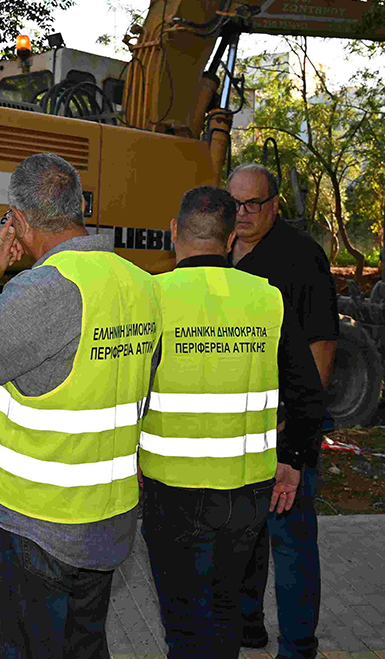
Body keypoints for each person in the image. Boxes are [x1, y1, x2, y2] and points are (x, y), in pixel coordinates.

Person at [0, 153, 161, 659]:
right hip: (106, 521)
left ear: (20, 222)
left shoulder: (46, 290)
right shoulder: (141, 284)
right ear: (80, 206)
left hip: (36, 529)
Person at [138, 185, 326, 659]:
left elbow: (126, 394)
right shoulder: (266, 299)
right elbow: (306, 392)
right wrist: (294, 459)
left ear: (174, 232)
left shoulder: (151, 298)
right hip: (246, 493)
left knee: (183, 626)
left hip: (172, 493)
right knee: (224, 617)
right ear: (228, 240)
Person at [227, 164, 339, 659]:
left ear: (275, 205)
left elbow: (320, 348)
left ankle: (298, 647)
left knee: (290, 540)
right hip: (237, 428)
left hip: (284, 428)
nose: (243, 213)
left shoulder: (301, 259)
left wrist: (296, 432)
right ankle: (248, 623)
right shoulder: (221, 253)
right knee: (242, 536)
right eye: (235, 203)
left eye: (254, 204)